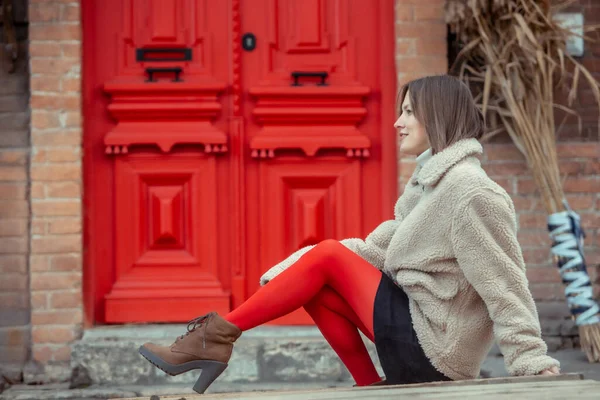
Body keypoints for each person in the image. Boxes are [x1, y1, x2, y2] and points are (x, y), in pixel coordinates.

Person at [139, 75, 560, 394]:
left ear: (439, 115)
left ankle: (213, 339)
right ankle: (369, 387)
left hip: (439, 350)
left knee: (326, 256)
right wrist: (293, 274)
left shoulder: (471, 193)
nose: (398, 122)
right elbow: (373, 251)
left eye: (410, 111)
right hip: (415, 334)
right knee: (320, 273)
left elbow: (504, 285)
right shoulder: (431, 186)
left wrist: (529, 359)